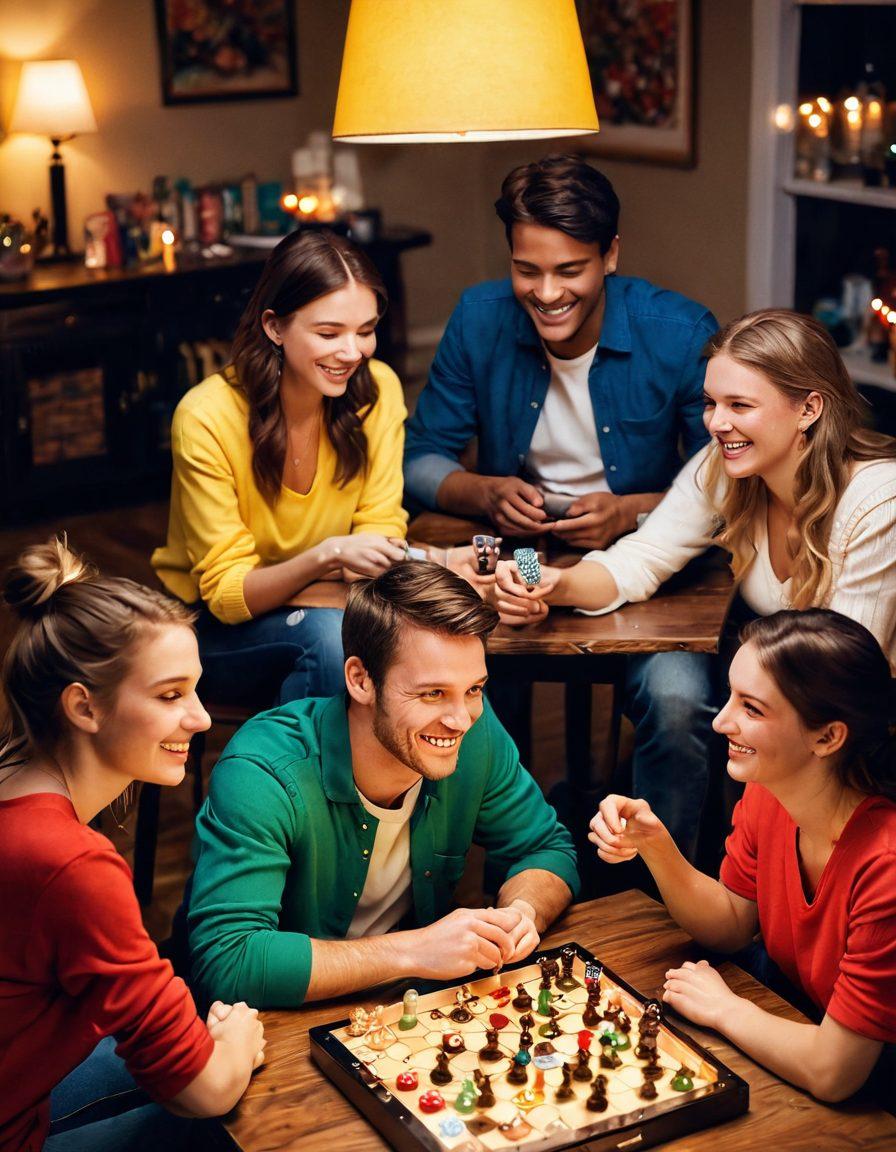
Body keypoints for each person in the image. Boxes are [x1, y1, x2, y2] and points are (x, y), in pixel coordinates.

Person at [404, 153, 721, 859]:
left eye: (569, 270)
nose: (546, 293)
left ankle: (656, 898)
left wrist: (631, 511)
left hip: (657, 559)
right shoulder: (479, 318)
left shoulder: (678, 331)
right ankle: (506, 875)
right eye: (528, 270)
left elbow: (727, 483)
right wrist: (481, 490)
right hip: (521, 551)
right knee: (464, 678)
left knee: (676, 697)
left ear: (610, 254)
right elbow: (419, 456)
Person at [184, 562, 579, 1009]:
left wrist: (521, 912)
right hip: (267, 1030)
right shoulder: (263, 769)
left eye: (473, 689)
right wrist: (415, 950)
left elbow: (545, 848)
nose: (460, 720)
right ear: (360, 680)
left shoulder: (476, 729)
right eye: (432, 693)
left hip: (408, 1014)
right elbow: (230, 961)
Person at [0, 539, 265, 1152]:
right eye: (170, 695)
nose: (200, 719)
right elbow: (204, 1091)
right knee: (231, 1124)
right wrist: (239, 1041)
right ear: (83, 706)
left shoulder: (14, 777)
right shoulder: (71, 863)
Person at [588, 610, 896, 1103]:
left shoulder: (886, 865)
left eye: (751, 708)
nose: (719, 720)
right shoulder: (771, 789)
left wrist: (725, 1009)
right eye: (730, 695)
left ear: (827, 737)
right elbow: (732, 923)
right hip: (799, 1015)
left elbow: (834, 1072)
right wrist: (656, 845)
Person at [495, 310, 896, 673]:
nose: (716, 423)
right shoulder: (724, 464)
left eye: (739, 405)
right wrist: (554, 584)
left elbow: (851, 674)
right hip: (782, 687)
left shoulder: (878, 502)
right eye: (710, 403)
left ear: (809, 409)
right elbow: (644, 557)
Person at [152, 229, 408, 707]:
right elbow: (228, 596)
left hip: (334, 601)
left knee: (429, 638)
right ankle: (291, 783)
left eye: (366, 330)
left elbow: (379, 533)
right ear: (274, 327)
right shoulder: (206, 416)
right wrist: (329, 556)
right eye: (329, 333)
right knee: (331, 641)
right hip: (203, 631)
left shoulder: (379, 392)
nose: (353, 353)